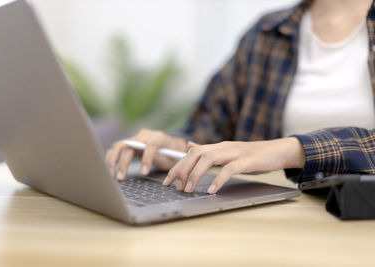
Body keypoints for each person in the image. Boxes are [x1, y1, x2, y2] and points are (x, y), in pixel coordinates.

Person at [106, 0, 375, 195]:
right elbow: (207, 131)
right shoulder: (267, 32)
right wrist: (170, 148)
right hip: (272, 216)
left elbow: (269, 152)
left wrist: (289, 150)